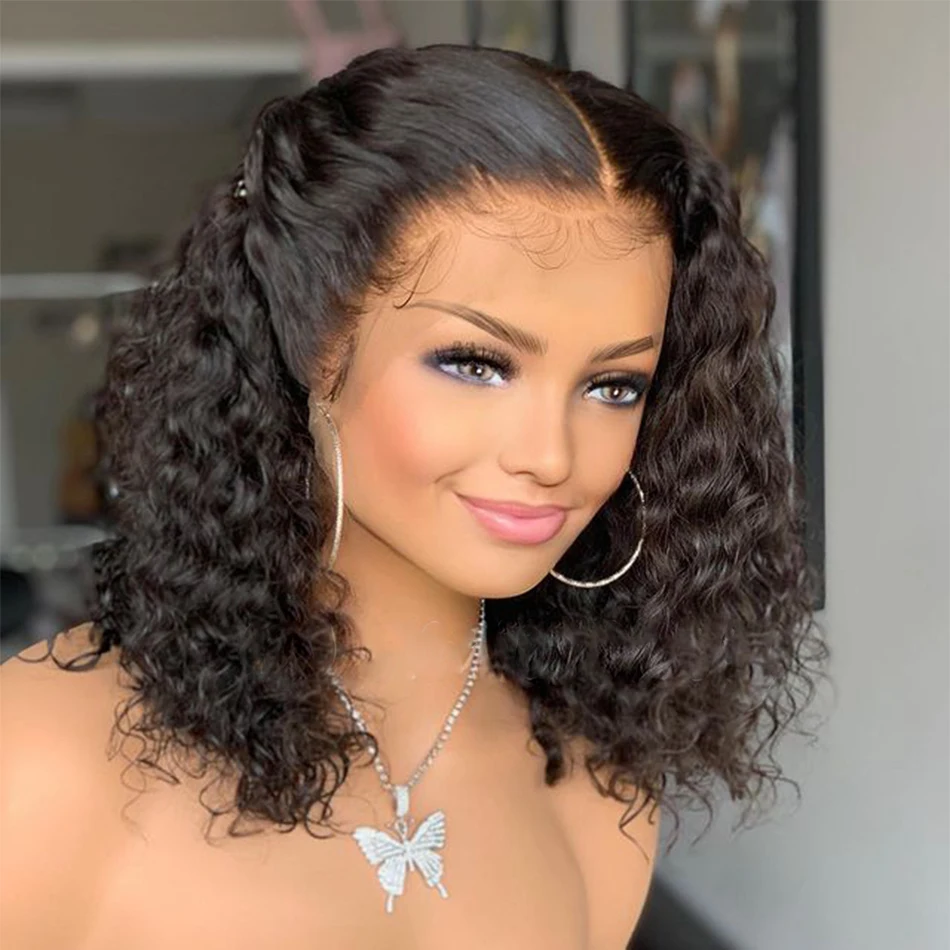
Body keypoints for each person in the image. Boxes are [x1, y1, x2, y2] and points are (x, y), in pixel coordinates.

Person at [0, 43, 827, 950]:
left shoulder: (599, 786)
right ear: (311, 343)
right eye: (475, 364)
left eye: (612, 386)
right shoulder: (42, 758)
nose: (551, 455)